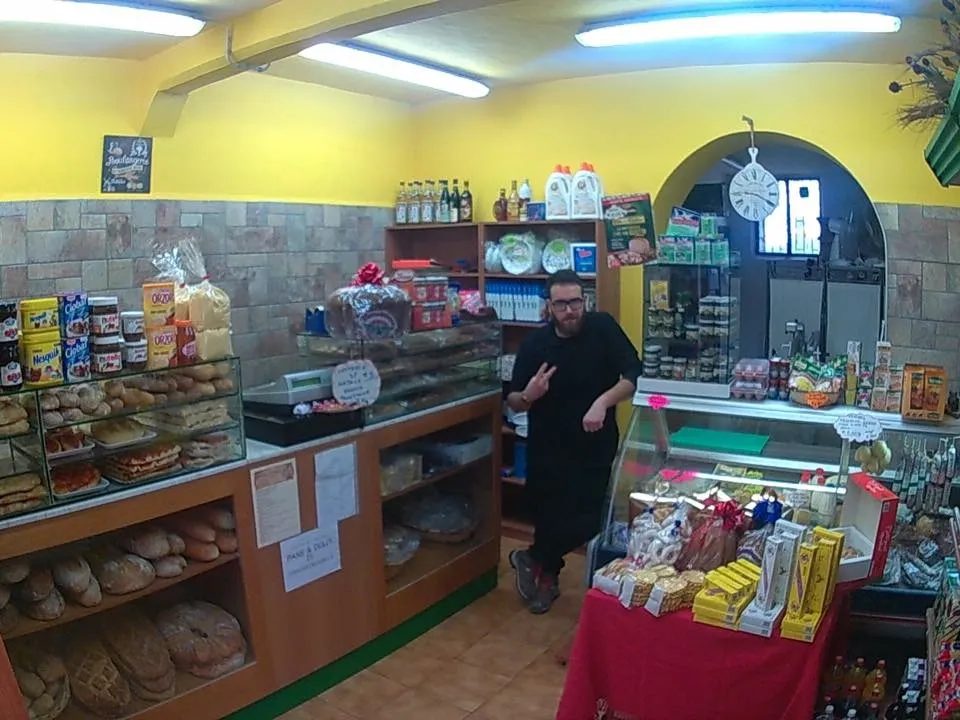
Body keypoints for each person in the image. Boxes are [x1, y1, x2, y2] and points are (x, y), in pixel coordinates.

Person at [506, 269, 640, 614]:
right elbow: (513, 400)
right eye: (562, 304)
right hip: (548, 446)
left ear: (585, 301)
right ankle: (547, 580)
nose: (571, 310)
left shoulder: (603, 328)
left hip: (595, 444)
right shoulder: (536, 345)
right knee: (550, 516)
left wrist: (602, 402)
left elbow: (631, 376)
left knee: (593, 517)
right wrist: (529, 394)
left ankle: (532, 556)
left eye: (576, 302)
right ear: (549, 307)